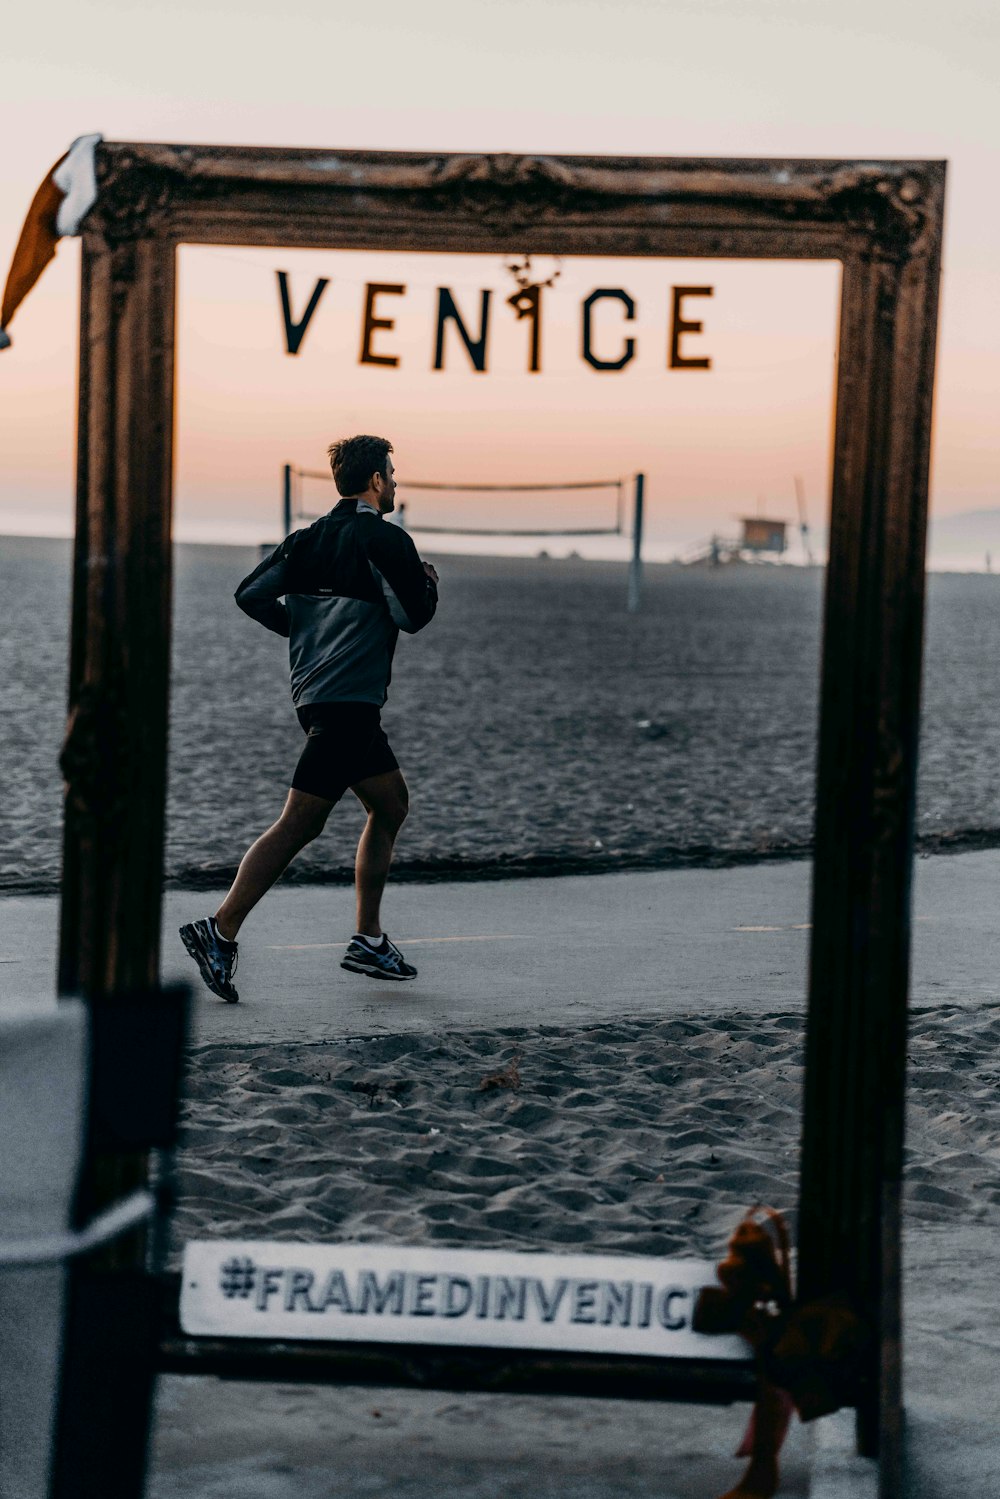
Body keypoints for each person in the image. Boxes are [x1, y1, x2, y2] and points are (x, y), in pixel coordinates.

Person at [179, 435, 438, 1001]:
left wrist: (303, 630)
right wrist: (429, 584)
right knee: (300, 823)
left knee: (391, 804)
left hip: (321, 698)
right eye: (391, 474)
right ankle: (219, 931)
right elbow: (412, 616)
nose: (394, 483)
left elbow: (249, 594)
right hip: (348, 704)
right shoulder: (385, 538)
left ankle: (368, 940)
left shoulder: (305, 540)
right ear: (375, 480)